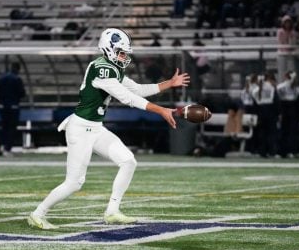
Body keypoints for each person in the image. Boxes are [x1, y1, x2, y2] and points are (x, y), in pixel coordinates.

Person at [28, 28, 189, 229]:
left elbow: (137, 90)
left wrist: (169, 84)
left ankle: (112, 212)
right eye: (122, 52)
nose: (125, 56)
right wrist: (161, 110)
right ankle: (38, 213)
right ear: (109, 49)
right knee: (74, 183)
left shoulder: (113, 67)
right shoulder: (101, 68)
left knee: (128, 161)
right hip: (81, 129)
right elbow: (126, 98)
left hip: (95, 128)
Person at [0, 62, 26, 156]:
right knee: (11, 128)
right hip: (13, 107)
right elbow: (22, 93)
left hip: (2, 106)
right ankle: (7, 148)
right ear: (18, 69)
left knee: (4, 127)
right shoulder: (17, 79)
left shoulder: (1, 78)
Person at [251, 73, 279, 157]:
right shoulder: (271, 88)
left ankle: (262, 152)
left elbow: (254, 104)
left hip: (260, 114)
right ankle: (272, 152)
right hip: (271, 113)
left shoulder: (255, 90)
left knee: (261, 134)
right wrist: (278, 113)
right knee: (271, 134)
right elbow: (276, 102)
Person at [277, 71, 299, 158]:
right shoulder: (296, 87)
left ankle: (282, 151)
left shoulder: (280, 87)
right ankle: (292, 151)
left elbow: (278, 100)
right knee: (292, 132)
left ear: (285, 76)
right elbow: (297, 99)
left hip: (284, 109)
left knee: (283, 132)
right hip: (293, 109)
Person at [277, 15, 296, 80]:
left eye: (288, 22)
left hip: (290, 53)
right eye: (286, 22)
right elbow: (281, 42)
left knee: (291, 70)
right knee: (282, 70)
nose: (287, 24)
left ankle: (291, 83)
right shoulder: (280, 31)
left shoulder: (293, 32)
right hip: (282, 53)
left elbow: (293, 42)